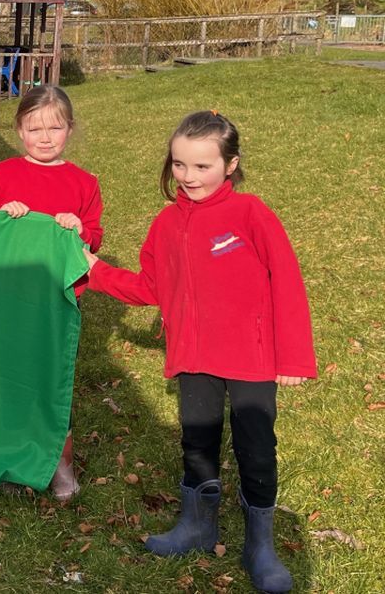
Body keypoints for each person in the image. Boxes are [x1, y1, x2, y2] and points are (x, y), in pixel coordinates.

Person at [83, 110, 315, 593]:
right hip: (194, 355)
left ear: (230, 165)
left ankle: (260, 545)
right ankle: (197, 525)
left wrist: (292, 359)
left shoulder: (252, 214)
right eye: (180, 165)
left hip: (251, 356)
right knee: (197, 441)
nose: (188, 177)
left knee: (255, 448)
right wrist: (94, 268)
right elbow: (150, 285)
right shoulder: (167, 222)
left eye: (202, 167)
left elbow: (287, 284)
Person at [0, 85, 102, 502]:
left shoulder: (84, 182)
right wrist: (3, 217)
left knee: (53, 378)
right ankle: (13, 457)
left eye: (55, 127)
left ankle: (58, 462)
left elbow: (95, 236)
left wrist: (79, 229)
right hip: (10, 298)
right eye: (34, 128)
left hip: (58, 301)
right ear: (18, 130)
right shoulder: (2, 177)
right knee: (12, 376)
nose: (45, 137)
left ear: (70, 128)